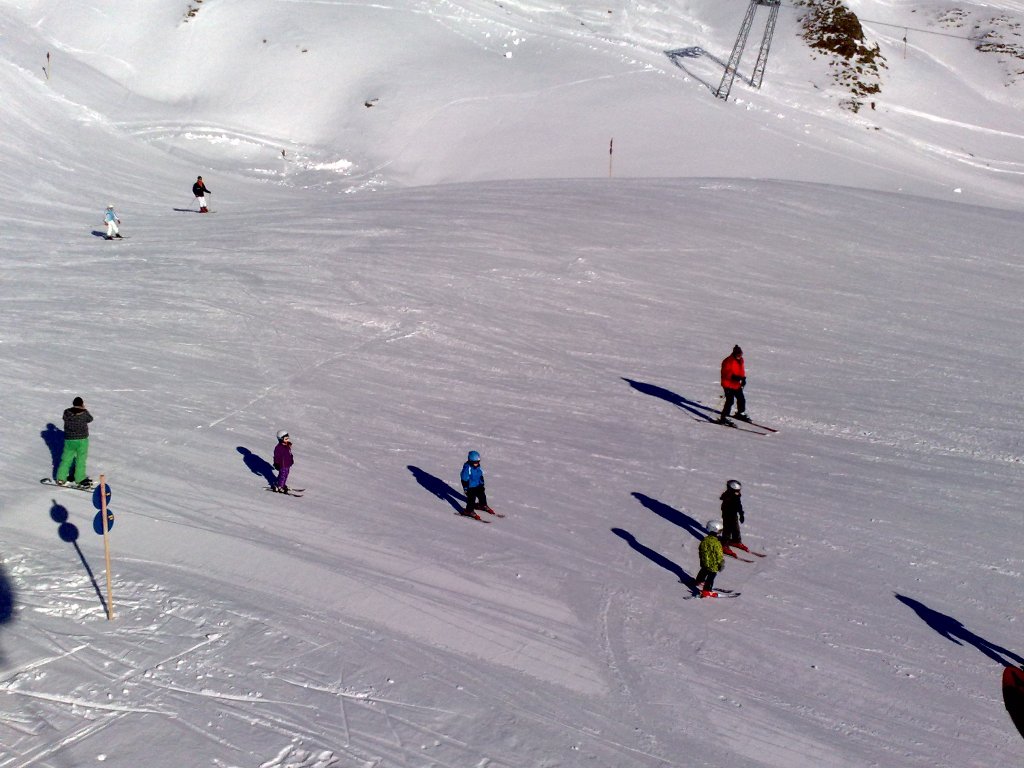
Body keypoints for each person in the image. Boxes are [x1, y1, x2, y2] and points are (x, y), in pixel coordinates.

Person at [56, 397, 93, 487]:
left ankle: (61, 478)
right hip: (82, 440)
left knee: (66, 459)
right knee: (80, 459)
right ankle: (79, 478)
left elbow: (64, 418)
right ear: (82, 404)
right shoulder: (84, 413)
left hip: (69, 440)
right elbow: (90, 419)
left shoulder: (66, 412)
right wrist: (84, 409)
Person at [694, 520, 725, 598]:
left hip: (705, 562)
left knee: (703, 571)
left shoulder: (704, 540)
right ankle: (707, 590)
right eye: (720, 531)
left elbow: (701, 551)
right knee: (711, 577)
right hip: (713, 564)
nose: (720, 533)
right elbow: (718, 554)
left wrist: (702, 561)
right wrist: (721, 563)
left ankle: (699, 581)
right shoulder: (716, 542)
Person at [718, 344, 748, 423]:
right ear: (734, 354)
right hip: (728, 384)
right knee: (730, 401)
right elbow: (725, 373)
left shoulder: (741, 360)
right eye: (738, 355)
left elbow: (741, 370)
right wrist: (733, 377)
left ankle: (740, 413)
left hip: (736, 384)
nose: (739, 356)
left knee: (741, 399)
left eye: (741, 354)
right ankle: (724, 417)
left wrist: (743, 378)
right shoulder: (728, 361)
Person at [460, 450, 493, 517]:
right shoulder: (467, 468)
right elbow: (464, 479)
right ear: (470, 461)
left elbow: (480, 475)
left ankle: (482, 505)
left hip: (478, 485)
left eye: (478, 462)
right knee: (471, 499)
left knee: (482, 495)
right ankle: (469, 511)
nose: (477, 464)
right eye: (475, 462)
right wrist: (465, 488)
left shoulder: (477, 467)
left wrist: (481, 483)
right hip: (470, 487)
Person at [720, 479, 747, 551]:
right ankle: (724, 544)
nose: (738, 492)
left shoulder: (736, 496)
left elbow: (738, 505)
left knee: (736, 527)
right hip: (727, 514)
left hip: (733, 514)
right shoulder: (728, 496)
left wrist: (741, 514)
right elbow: (725, 503)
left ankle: (736, 541)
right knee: (727, 528)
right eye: (737, 490)